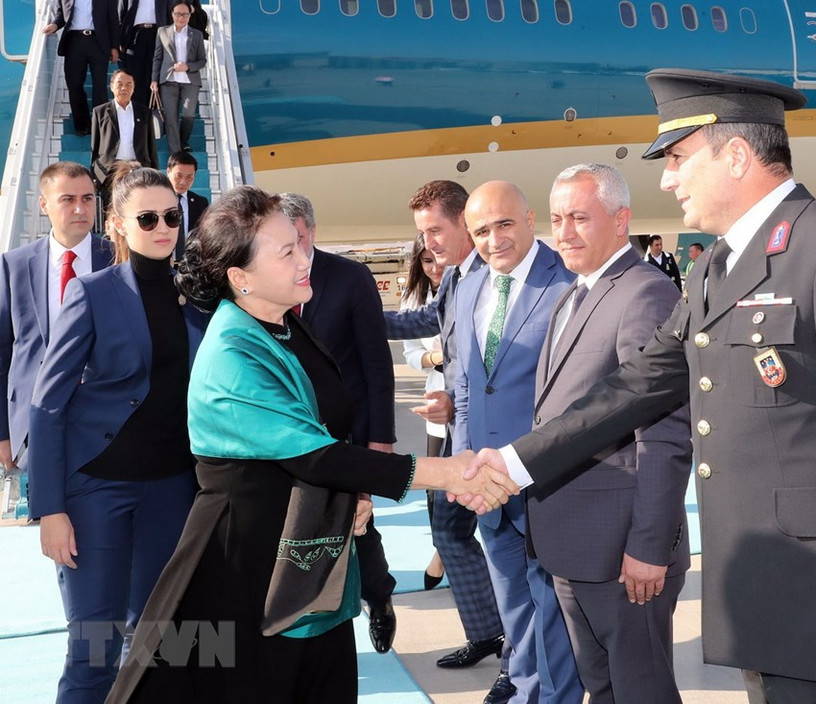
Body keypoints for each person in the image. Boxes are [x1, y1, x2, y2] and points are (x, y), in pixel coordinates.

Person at [467, 68, 816, 703]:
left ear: (737, 155)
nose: (667, 178)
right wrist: (515, 463)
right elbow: (636, 387)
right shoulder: (716, 266)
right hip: (761, 589)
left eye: (680, 159)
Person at [103, 185, 517, 704]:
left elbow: (330, 436)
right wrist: (449, 472)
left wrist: (353, 502)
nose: (306, 260)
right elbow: (314, 453)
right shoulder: (232, 349)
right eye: (287, 252)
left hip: (312, 567)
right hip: (250, 578)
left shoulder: (283, 325)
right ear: (240, 277)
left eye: (301, 245)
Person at [28, 167, 206, 703]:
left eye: (172, 216)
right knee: (93, 646)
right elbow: (47, 403)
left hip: (174, 489)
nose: (162, 227)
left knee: (162, 641)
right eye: (147, 217)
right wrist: (50, 509)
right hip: (97, 489)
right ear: (119, 226)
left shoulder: (199, 296)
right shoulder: (91, 292)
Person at [535, 163, 691, 703]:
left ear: (621, 220)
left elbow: (666, 435)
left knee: (641, 691)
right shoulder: (570, 295)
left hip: (624, 556)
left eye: (579, 217)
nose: (563, 233)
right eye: (557, 219)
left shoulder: (644, 293)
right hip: (574, 546)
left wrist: (650, 547)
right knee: (600, 690)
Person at [382, 181, 513, 704]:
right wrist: (352, 312)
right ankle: (486, 632)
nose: (428, 243)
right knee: (448, 530)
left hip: (492, 447)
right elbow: (424, 322)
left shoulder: (496, 278)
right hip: (459, 436)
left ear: (465, 222)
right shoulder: (457, 277)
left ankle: (518, 661)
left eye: (436, 230)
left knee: (506, 552)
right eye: (423, 233)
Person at [453, 181, 582, 703]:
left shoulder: (569, 282)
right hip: (489, 489)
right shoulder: (469, 286)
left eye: (504, 224)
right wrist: (466, 466)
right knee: (517, 612)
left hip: (546, 482)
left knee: (553, 614)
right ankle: (528, 691)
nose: (493, 239)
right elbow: (466, 386)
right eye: (481, 230)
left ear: (531, 220)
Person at [278, 192, 399, 654]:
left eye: (300, 240)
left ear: (313, 231)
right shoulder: (266, 281)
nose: (294, 251)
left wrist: (380, 440)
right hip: (286, 435)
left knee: (358, 523)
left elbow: (376, 364)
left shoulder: (349, 278)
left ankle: (379, 598)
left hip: (344, 433)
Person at [0, 162, 114, 502]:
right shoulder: (13, 266)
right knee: (53, 526)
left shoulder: (118, 260)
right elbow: (3, 354)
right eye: (67, 199)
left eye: (88, 198)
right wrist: (3, 433)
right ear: (44, 204)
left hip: (105, 423)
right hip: (37, 424)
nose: (80, 209)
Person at [399, 233, 446, 590]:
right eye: (426, 261)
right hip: (436, 395)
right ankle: (442, 550)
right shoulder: (415, 297)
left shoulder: (470, 283)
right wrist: (437, 358)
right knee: (435, 487)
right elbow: (411, 354)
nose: (434, 268)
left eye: (437, 259)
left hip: (473, 398)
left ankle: (444, 555)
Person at [42, 0, 120, 136]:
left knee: (100, 86)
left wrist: (114, 46)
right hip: (74, 42)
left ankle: (100, 126)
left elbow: (113, 19)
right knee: (74, 84)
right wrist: (54, 25)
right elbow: (60, 14)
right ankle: (82, 125)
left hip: (98, 42)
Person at [150, 4, 206, 154]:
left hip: (190, 81)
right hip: (168, 80)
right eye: (178, 14)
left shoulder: (197, 34)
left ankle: (183, 141)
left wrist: (187, 67)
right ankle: (176, 152)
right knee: (171, 117)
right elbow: (157, 58)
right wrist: (154, 80)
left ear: (189, 16)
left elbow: (202, 61)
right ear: (172, 14)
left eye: (185, 14)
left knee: (188, 115)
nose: (181, 17)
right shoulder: (162, 32)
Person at [91, 69, 158, 188]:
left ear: (133, 88)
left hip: (138, 168)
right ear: (111, 87)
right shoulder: (100, 112)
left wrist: (155, 172)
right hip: (110, 170)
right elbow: (95, 148)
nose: (124, 88)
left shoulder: (144, 113)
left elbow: (151, 145)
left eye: (128, 84)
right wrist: (94, 176)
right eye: (120, 84)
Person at [119, 0, 174, 108]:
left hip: (158, 34)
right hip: (135, 34)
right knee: (136, 77)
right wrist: (120, 40)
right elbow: (121, 13)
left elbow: (170, 13)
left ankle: (153, 115)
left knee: (154, 77)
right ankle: (138, 116)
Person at [165, 151, 208, 260]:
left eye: (189, 177)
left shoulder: (201, 203)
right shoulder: (157, 200)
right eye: (178, 176)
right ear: (168, 172)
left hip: (189, 265)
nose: (183, 182)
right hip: (163, 261)